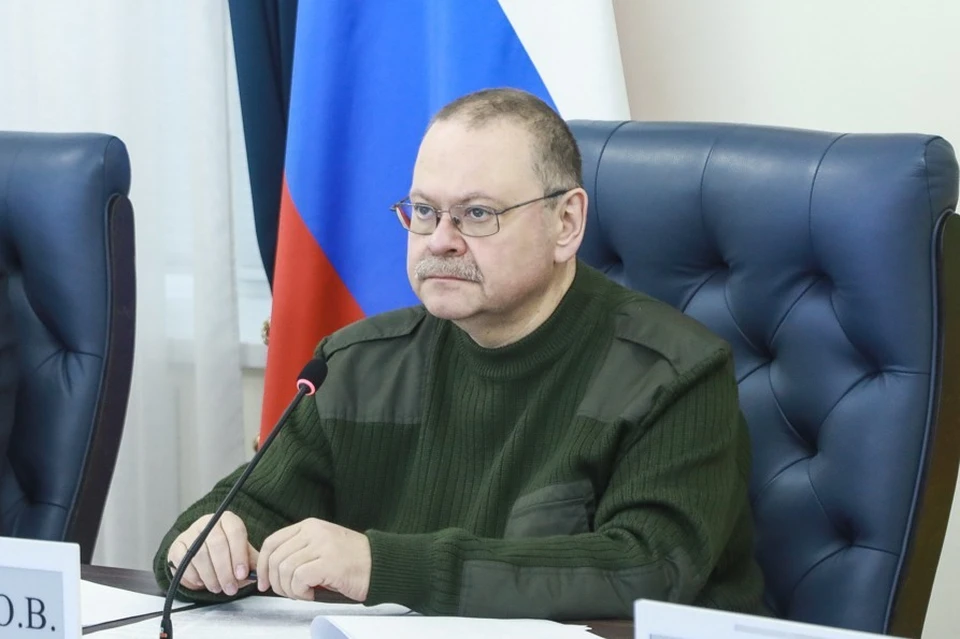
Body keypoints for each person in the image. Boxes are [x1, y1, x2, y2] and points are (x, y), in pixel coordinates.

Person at [154, 87, 767, 620]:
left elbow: (646, 568)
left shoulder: (672, 372)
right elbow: (233, 515)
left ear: (566, 223)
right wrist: (205, 548)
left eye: (476, 214)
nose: (439, 241)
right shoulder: (353, 366)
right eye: (424, 211)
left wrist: (380, 565)